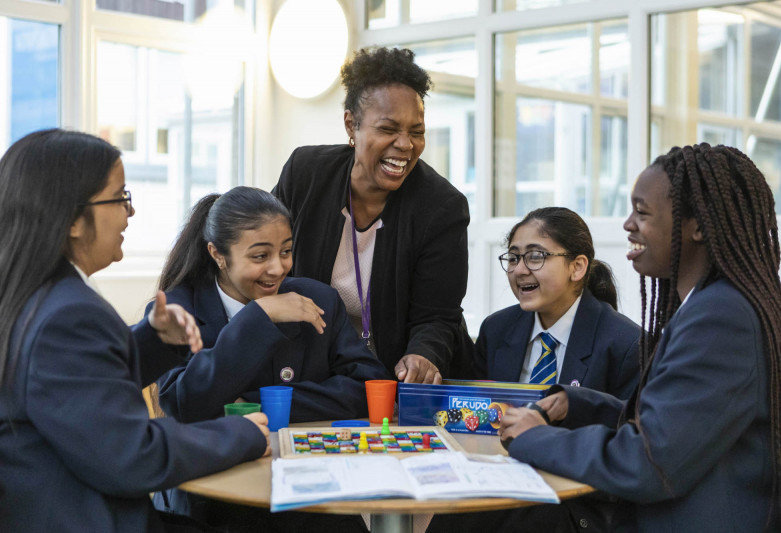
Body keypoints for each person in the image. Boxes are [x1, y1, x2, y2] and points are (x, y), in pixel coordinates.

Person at [499, 144, 781, 532]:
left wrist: (535, 438)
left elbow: (648, 462)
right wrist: (577, 405)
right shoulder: (714, 305)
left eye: (642, 212)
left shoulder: (720, 317)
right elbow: (677, 428)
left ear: (699, 226)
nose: (628, 224)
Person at [0, 129, 270, 533]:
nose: (130, 212)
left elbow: (77, 390)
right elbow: (132, 456)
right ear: (73, 220)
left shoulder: (32, 295)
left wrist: (154, 340)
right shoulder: (68, 313)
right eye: (121, 196)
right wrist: (242, 432)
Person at [429, 207, 639, 533]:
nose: (520, 270)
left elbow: (629, 443)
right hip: (497, 482)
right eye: (513, 259)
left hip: (574, 497)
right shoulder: (497, 330)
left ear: (577, 266)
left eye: (536, 257)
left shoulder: (625, 343)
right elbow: (480, 414)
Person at [273, 46, 472, 384]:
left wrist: (423, 355)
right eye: (388, 129)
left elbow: (437, 316)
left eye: (416, 131)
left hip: (395, 379)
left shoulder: (442, 207)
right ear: (352, 125)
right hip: (316, 371)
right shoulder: (305, 174)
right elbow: (269, 260)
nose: (405, 144)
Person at [140, 186, 392, 424]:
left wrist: (255, 404)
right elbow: (184, 405)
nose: (277, 268)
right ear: (218, 254)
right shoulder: (175, 312)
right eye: (260, 256)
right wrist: (259, 316)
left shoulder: (319, 299)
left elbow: (370, 386)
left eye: (286, 251)